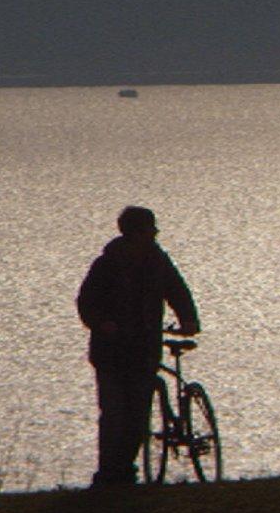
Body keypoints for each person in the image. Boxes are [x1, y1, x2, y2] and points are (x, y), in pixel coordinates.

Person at [76, 206, 200, 487]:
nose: (155, 233)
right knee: (114, 414)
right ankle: (109, 473)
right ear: (135, 233)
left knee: (136, 416)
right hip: (112, 352)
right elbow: (86, 302)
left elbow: (177, 291)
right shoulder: (106, 264)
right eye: (150, 229)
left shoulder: (158, 262)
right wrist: (101, 323)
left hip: (143, 350)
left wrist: (189, 319)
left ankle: (124, 470)